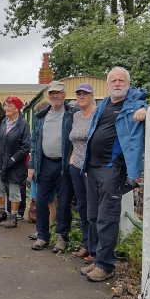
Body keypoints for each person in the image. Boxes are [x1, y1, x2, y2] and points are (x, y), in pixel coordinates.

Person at [81, 66, 147, 282]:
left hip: (112, 168)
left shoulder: (133, 104)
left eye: (121, 80)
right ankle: (98, 258)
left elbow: (145, 103)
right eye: (113, 81)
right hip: (93, 168)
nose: (117, 84)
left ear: (127, 84)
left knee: (107, 218)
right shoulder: (104, 105)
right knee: (92, 216)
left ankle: (106, 265)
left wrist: (145, 110)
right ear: (108, 84)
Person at [28, 81, 76, 252]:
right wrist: (32, 164)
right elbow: (34, 142)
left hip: (64, 164)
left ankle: (61, 237)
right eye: (52, 93)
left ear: (64, 94)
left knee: (63, 202)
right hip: (45, 162)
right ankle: (42, 236)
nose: (55, 96)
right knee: (40, 200)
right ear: (48, 95)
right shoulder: (41, 116)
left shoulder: (72, 113)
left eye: (59, 93)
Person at [0, 96, 30, 228]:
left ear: (17, 108)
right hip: (0, 161)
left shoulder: (24, 125)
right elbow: (1, 140)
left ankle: (14, 216)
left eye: (10, 106)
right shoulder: (4, 122)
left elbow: (26, 147)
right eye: (6, 105)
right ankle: (2, 213)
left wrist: (13, 159)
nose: (6, 108)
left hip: (15, 163)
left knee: (14, 191)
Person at [67, 83, 97, 259]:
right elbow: (74, 140)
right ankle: (86, 244)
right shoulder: (77, 116)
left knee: (94, 208)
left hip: (91, 168)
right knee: (82, 206)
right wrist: (71, 160)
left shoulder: (97, 114)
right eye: (78, 94)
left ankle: (95, 249)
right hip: (75, 166)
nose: (81, 96)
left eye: (85, 93)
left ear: (92, 95)